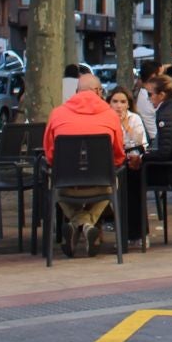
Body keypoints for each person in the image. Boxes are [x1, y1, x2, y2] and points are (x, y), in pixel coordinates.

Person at [41, 73, 128, 256]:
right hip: (101, 185)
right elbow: (119, 155)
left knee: (52, 184)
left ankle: (75, 222)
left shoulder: (57, 114)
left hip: (65, 185)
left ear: (76, 92)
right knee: (113, 183)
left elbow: (49, 154)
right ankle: (87, 223)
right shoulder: (110, 115)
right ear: (98, 91)